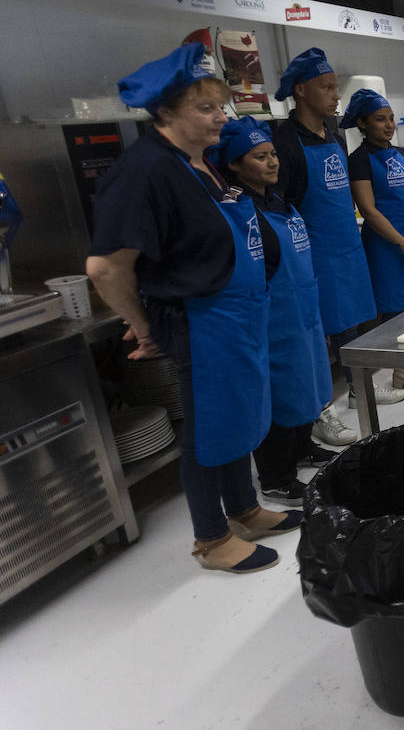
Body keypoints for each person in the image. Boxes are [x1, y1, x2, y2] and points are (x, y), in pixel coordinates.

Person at [87, 43, 301, 573]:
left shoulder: (197, 165)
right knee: (208, 430)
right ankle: (211, 539)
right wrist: (142, 326)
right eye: (205, 108)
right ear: (165, 112)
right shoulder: (145, 170)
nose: (220, 118)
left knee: (235, 420)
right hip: (200, 323)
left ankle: (245, 510)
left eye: (221, 106)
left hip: (234, 318)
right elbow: (106, 268)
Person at [209, 117, 337, 507]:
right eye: (259, 157)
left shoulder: (278, 199)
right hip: (272, 317)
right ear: (234, 164)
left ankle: (301, 449)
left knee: (307, 383)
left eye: (274, 155)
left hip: (302, 310)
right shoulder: (235, 209)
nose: (272, 163)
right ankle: (276, 477)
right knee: (278, 394)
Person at [271, 48, 404, 419]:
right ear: (301, 90)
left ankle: (358, 389)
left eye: (336, 88)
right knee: (322, 330)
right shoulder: (285, 142)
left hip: (346, 240)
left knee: (353, 321)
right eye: (327, 87)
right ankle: (323, 408)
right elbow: (278, 207)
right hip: (315, 248)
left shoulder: (331, 134)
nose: (335, 95)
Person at [344, 88, 404, 394]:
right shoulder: (359, 160)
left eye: (390, 119)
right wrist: (403, 243)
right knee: (394, 311)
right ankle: (401, 368)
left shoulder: (402, 153)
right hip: (388, 249)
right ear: (362, 123)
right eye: (379, 120)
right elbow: (368, 210)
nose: (388, 125)